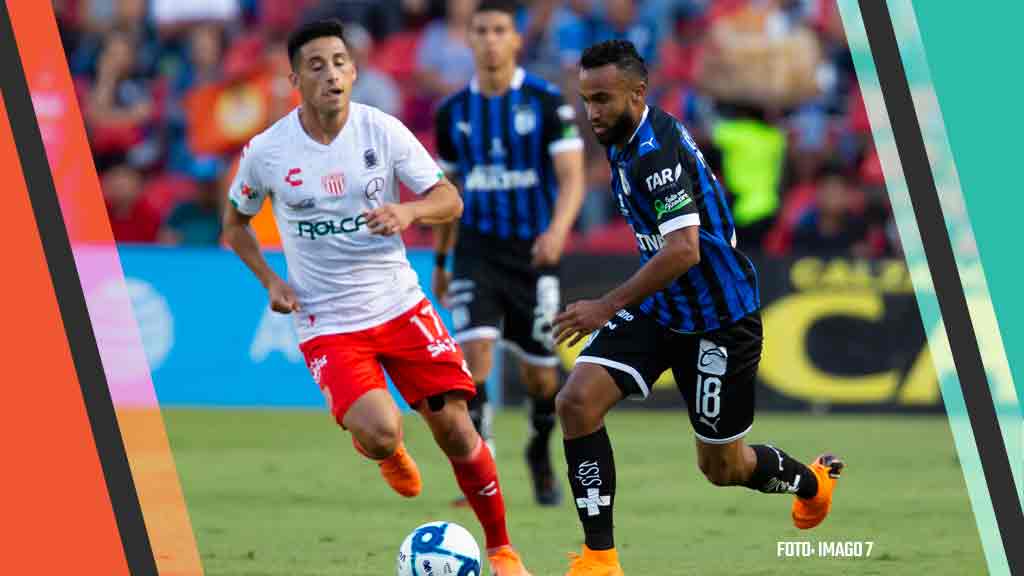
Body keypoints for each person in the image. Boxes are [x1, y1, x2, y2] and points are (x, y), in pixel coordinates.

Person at [222, 19, 531, 576]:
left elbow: (449, 199)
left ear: (354, 71)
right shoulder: (267, 152)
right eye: (316, 65)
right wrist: (271, 281)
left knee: (458, 430)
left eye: (339, 62)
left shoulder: (382, 132)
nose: (331, 74)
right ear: (295, 78)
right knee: (381, 429)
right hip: (328, 320)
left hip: (399, 304)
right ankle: (386, 452)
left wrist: (408, 210)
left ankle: (503, 550)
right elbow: (235, 225)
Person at [552, 40, 844, 575]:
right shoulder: (622, 133)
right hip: (664, 307)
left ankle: (811, 482)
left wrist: (607, 304)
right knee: (575, 403)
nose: (592, 112)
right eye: (586, 99)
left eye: (602, 99)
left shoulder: (653, 155)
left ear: (637, 94)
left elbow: (684, 249)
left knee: (722, 467)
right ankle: (600, 559)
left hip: (718, 320)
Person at [432, 0, 586, 507]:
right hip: (476, 251)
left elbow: (571, 177)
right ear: (469, 39)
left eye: (501, 30)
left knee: (541, 378)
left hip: (533, 254)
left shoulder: (546, 102)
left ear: (516, 39)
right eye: (482, 31)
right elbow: (447, 192)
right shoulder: (452, 112)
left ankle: (539, 454)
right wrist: (442, 260)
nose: (492, 39)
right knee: (472, 360)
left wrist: (560, 229)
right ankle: (482, 470)